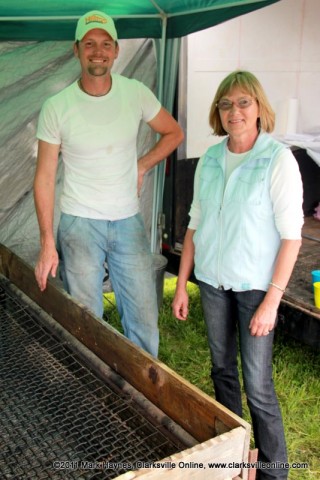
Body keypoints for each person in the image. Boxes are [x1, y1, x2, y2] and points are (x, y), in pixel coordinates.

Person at [172, 71, 303, 479]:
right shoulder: (210, 159)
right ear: (218, 112)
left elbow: (292, 238)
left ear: (260, 107)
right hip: (211, 281)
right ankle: (233, 457)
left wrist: (271, 300)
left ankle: (273, 472)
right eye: (226, 104)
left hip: (254, 289)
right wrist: (181, 285)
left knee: (259, 386)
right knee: (221, 370)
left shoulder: (277, 159)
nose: (234, 111)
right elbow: (194, 223)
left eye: (244, 102)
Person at [34, 10, 184, 358]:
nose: (97, 51)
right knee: (86, 320)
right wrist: (46, 243)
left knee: (143, 319)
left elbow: (174, 132)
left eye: (105, 44)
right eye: (89, 44)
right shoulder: (57, 106)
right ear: (76, 50)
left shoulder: (135, 93)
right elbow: (43, 176)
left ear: (116, 50)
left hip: (128, 221)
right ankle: (91, 393)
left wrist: (143, 164)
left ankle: (142, 398)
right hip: (79, 223)